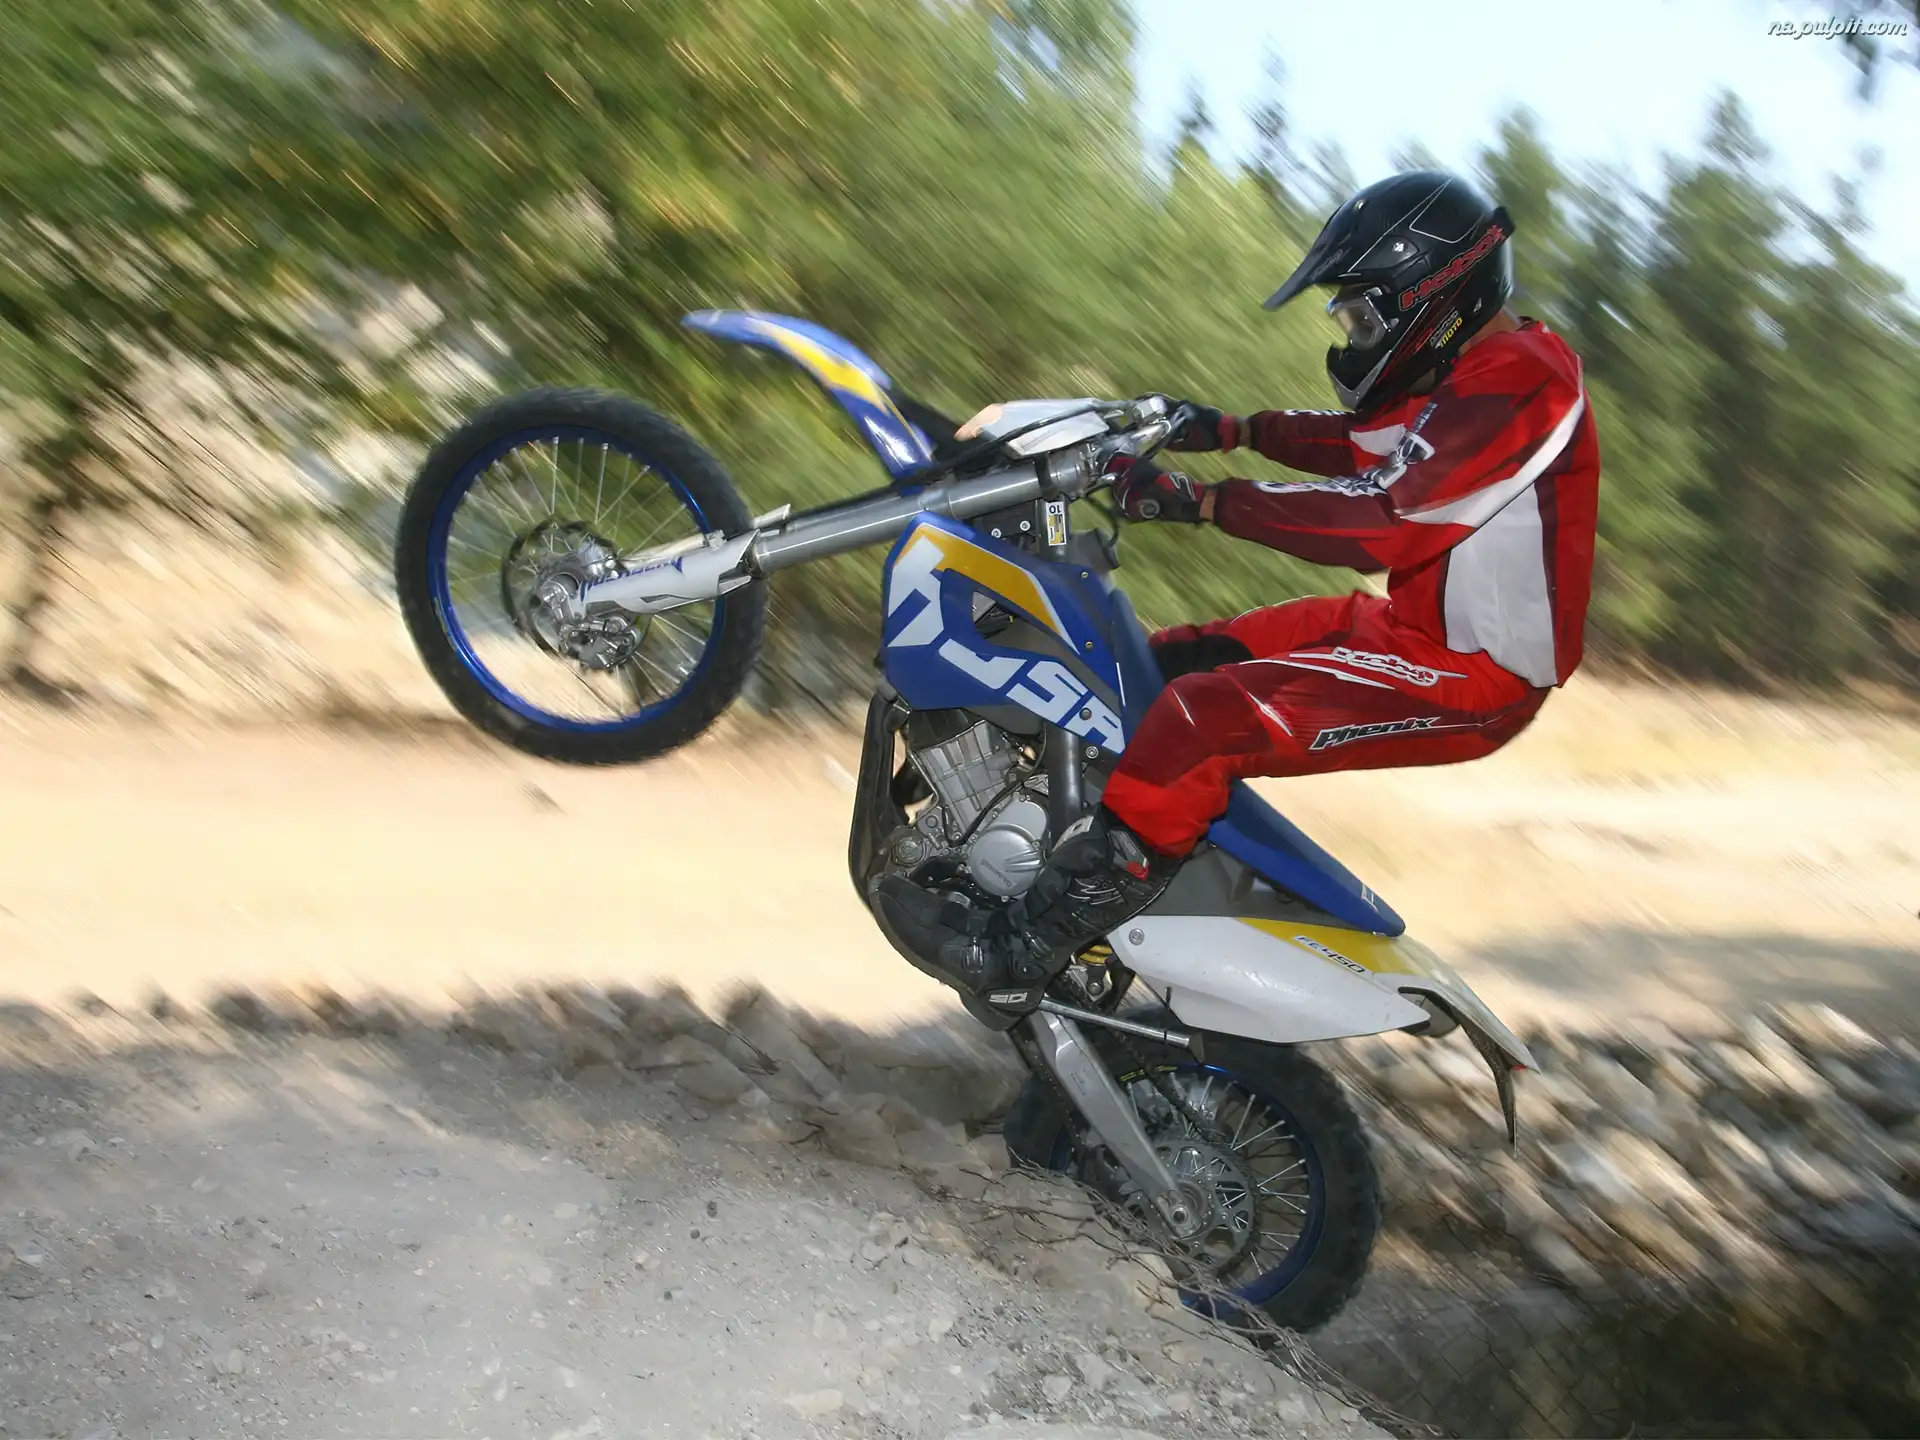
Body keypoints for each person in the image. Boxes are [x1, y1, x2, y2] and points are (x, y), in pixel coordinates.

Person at [876, 168, 1602, 1020]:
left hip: (1472, 678)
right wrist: (1223, 429)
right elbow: (1355, 442)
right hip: (1403, 629)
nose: (1352, 337)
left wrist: (1201, 500)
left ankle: (1024, 946)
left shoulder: (1523, 381)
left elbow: (1381, 520)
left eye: (1362, 318)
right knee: (1154, 666)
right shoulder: (1465, 379)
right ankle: (1036, 827)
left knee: (1201, 721)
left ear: (1431, 299)